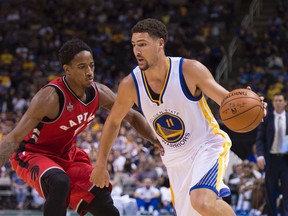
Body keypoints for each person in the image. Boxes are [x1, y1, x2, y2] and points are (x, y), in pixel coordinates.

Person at [90, 18, 267, 215]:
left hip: (205, 146)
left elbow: (226, 100)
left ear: (160, 44)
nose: (137, 51)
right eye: (133, 45)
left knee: (202, 201)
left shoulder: (189, 70)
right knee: (198, 207)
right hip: (174, 161)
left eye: (142, 44)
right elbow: (114, 121)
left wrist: (251, 104)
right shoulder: (130, 85)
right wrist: (100, 163)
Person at [0, 39, 160, 216]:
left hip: (67, 155)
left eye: (91, 65)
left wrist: (155, 139)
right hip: (32, 154)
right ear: (67, 69)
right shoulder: (50, 97)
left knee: (103, 200)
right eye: (82, 67)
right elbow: (13, 138)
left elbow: (133, 116)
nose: (89, 72)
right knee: (59, 182)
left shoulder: (98, 92)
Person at [256, 92, 288, 216]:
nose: (278, 102)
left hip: (286, 160)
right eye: (275, 100)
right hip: (272, 159)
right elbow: (260, 139)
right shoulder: (266, 118)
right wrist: (260, 155)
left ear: (285, 102)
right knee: (270, 191)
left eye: (280, 100)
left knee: (287, 190)